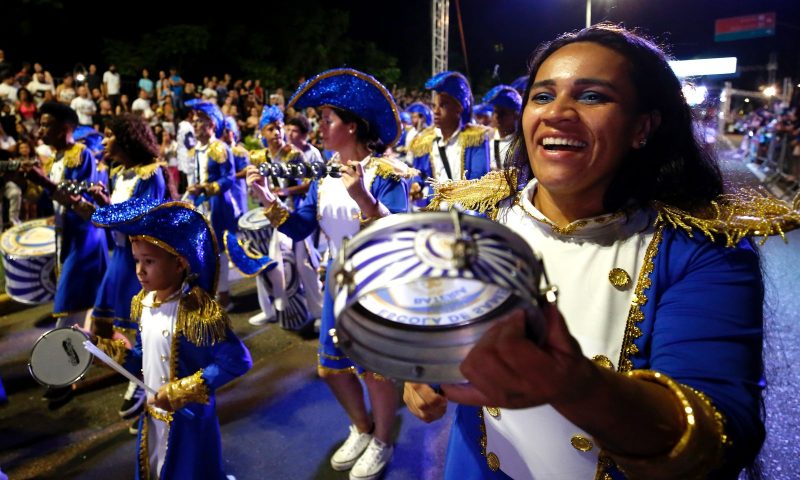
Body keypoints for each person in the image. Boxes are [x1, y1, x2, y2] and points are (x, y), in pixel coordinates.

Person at [404, 23, 774, 479]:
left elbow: (719, 435)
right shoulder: (473, 218)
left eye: (592, 96)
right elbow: (440, 326)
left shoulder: (703, 250)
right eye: (542, 96)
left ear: (643, 126)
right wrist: (423, 368)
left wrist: (575, 385)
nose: (558, 112)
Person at [245, 68, 413, 480]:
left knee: (374, 372)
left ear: (351, 126)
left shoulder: (387, 173)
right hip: (337, 276)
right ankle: (362, 427)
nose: (319, 127)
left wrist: (363, 196)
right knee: (330, 368)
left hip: (375, 282)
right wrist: (268, 199)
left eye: (326, 119)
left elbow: (401, 232)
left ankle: (383, 440)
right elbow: (302, 226)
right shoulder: (322, 178)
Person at [89, 198, 252, 480]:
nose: (140, 270)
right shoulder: (144, 303)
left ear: (179, 263)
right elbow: (141, 360)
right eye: (137, 260)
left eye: (149, 261)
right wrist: (101, 350)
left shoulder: (198, 311)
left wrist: (182, 391)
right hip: (153, 415)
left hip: (189, 419)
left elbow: (238, 360)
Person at [81, 114, 169, 423]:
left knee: (141, 327)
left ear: (127, 138)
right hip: (119, 257)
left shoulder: (152, 174)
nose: (103, 141)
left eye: (108, 135)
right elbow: (118, 216)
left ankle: (145, 388)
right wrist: (101, 206)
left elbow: (143, 220)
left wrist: (103, 212)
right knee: (103, 326)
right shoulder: (119, 174)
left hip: (141, 260)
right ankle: (133, 371)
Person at [24, 102, 108, 401]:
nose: (40, 130)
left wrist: (42, 181)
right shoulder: (54, 159)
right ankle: (99, 355)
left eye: (46, 124)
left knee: (66, 311)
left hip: (85, 241)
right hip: (67, 239)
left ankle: (62, 379)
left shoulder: (82, 155)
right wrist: (27, 181)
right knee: (78, 312)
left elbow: (78, 199)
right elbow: (51, 198)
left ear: (66, 128)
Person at [184, 99, 240, 310]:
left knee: (220, 251)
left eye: (200, 121)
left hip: (218, 206)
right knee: (201, 249)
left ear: (212, 125)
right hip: (200, 204)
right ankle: (207, 291)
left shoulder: (220, 148)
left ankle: (224, 295)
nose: (195, 125)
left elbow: (229, 178)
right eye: (195, 121)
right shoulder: (196, 149)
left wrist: (207, 189)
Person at [408, 71, 490, 209]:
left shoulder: (475, 138)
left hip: (465, 216)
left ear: (459, 108)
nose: (436, 111)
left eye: (443, 105)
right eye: (434, 106)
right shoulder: (426, 140)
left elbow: (479, 182)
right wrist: (416, 184)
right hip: (434, 215)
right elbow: (420, 173)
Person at [482, 85, 522, 171]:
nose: (498, 116)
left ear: (515, 116)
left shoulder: (521, 143)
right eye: (496, 111)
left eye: (503, 112)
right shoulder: (486, 141)